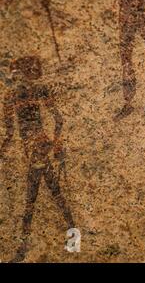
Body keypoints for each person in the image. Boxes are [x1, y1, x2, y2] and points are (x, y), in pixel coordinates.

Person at [0, 56, 75, 262]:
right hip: (34, 149)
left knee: (31, 199)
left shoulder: (31, 92)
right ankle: (72, 232)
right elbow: (8, 134)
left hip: (38, 149)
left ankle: (23, 247)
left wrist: (56, 144)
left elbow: (58, 120)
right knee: (55, 194)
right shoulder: (10, 97)